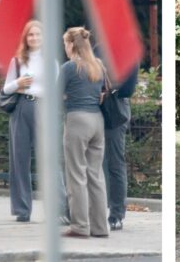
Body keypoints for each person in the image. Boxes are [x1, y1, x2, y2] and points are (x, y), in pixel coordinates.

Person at [2, 21, 70, 224]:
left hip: (44, 108)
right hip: (22, 107)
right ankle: (22, 209)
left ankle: (58, 210)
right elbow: (6, 89)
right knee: (19, 159)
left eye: (38, 34)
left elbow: (56, 90)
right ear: (25, 38)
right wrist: (18, 84)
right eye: (30, 35)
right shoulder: (17, 61)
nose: (34, 38)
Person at [60, 27, 110, 238]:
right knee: (95, 175)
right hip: (97, 121)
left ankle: (80, 226)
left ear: (71, 44)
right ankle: (100, 227)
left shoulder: (70, 67)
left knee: (76, 175)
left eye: (65, 44)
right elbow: (102, 92)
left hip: (77, 120)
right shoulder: (98, 66)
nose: (65, 48)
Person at [92, 40, 139, 231]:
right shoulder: (97, 48)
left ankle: (117, 214)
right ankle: (93, 209)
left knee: (115, 162)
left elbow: (128, 87)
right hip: (94, 108)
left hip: (115, 109)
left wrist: (109, 91)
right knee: (93, 162)